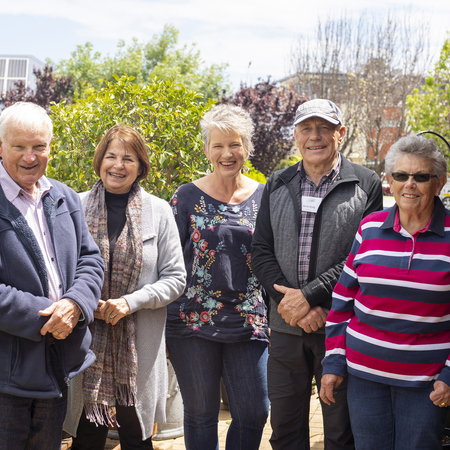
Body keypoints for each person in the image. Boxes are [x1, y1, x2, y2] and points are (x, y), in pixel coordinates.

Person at [251, 98, 383, 450]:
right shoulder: (277, 182)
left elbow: (363, 255)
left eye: (324, 128)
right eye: (306, 128)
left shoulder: (366, 183)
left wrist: (309, 299)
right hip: (284, 328)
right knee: (286, 431)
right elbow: (260, 251)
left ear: (340, 134)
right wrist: (291, 305)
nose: (315, 136)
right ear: (295, 135)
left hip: (339, 329)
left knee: (341, 432)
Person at [321, 135, 450, 450]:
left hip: (426, 381)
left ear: (440, 182)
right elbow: (342, 302)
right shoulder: (369, 228)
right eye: (401, 176)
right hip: (364, 376)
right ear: (389, 181)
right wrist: (334, 363)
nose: (410, 184)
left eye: (421, 176)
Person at [63, 124, 186, 449]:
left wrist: (129, 303)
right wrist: (85, 302)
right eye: (111, 156)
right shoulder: (74, 207)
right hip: (87, 343)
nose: (118, 165)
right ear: (100, 160)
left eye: (128, 158)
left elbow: (176, 278)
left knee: (136, 436)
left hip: (138, 347)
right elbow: (60, 271)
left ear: (140, 166)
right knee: (87, 437)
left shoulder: (158, 211)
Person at [0, 102, 104, 449]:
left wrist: (74, 304)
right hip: (6, 370)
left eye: (38, 146)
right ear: (1, 146)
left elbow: (91, 259)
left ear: (50, 147)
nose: (30, 157)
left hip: (58, 364)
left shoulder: (63, 197)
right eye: (19, 146)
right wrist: (49, 316)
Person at [166, 104, 269, 450]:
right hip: (192, 320)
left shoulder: (264, 197)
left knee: (254, 412)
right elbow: (170, 261)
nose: (227, 153)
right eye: (218, 145)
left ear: (247, 148)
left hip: (248, 319)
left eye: (235, 145)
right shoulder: (185, 196)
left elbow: (272, 258)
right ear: (207, 149)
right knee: (200, 414)